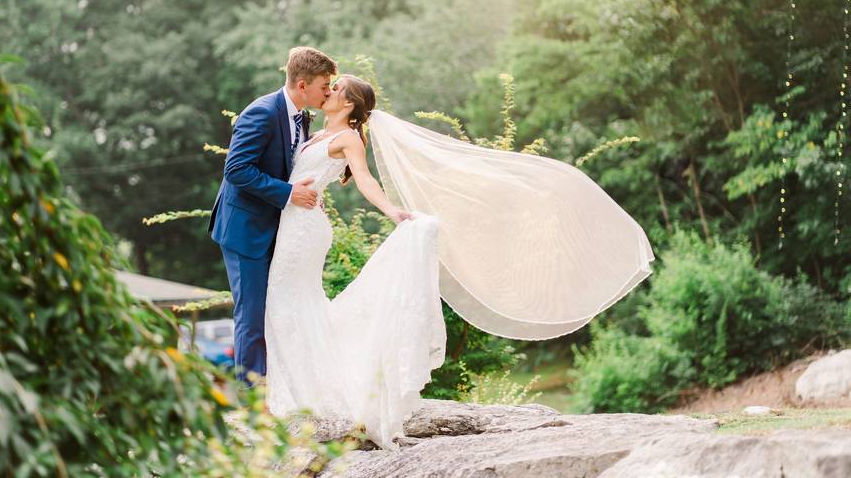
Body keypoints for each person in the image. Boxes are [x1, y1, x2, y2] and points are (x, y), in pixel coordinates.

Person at [262, 74, 655, 450]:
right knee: (288, 306)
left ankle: (300, 398)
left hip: (305, 232)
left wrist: (393, 212)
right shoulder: (315, 133)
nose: (328, 91)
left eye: (336, 88)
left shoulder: (347, 138)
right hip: (296, 225)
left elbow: (365, 180)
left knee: (289, 303)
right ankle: (303, 392)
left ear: (348, 103)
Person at [208, 46, 336, 387]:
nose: (328, 92)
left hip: (276, 228)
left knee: (276, 311)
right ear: (302, 84)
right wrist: (289, 194)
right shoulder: (262, 112)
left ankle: (279, 391)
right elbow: (236, 170)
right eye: (324, 85)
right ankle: (252, 400)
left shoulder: (301, 116)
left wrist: (305, 194)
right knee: (251, 315)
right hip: (244, 229)